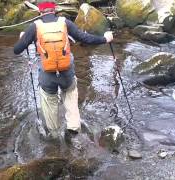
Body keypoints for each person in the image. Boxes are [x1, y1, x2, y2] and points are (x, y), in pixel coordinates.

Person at [14, 0, 113, 142]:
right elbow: (84, 38)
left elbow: (16, 50)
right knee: (70, 94)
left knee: (49, 101)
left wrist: (22, 38)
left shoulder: (34, 27)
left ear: (39, 12)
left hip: (47, 76)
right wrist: (105, 39)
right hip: (66, 72)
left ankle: (54, 135)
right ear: (55, 10)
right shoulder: (65, 22)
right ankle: (73, 129)